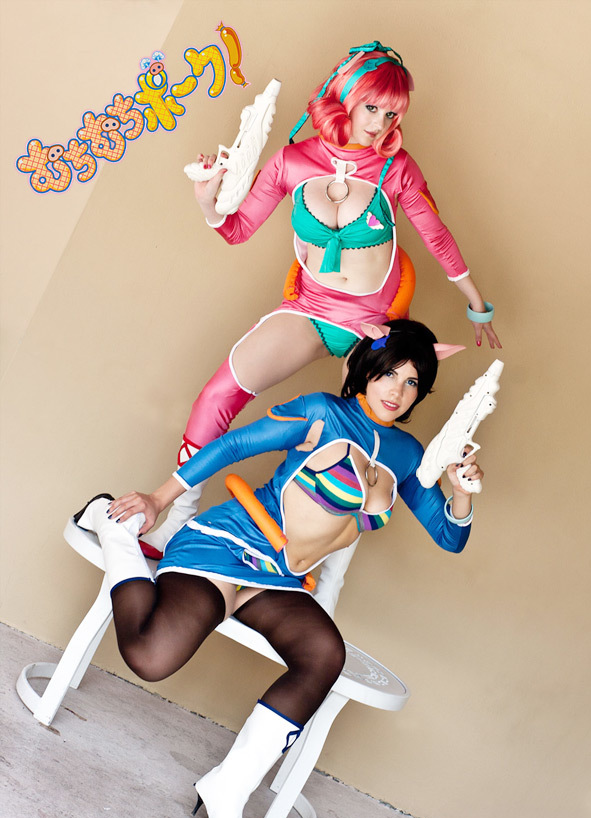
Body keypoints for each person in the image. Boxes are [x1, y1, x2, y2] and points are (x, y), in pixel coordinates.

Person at [74, 319, 484, 818]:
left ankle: (228, 790)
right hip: (227, 544)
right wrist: (157, 499)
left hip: (281, 577)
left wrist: (461, 493)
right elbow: (235, 444)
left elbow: (450, 537)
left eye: (412, 382)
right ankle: (115, 528)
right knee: (151, 658)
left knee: (324, 655)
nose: (397, 390)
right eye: (390, 373)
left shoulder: (408, 455)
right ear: (368, 368)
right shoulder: (322, 412)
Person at [141, 40, 500, 556]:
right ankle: (175, 519)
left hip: (372, 324)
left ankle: (312, 556)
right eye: (371, 107)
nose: (379, 124)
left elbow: (436, 235)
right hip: (310, 309)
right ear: (345, 96)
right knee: (218, 395)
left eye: (392, 114)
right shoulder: (292, 161)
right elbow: (237, 230)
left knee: (362, 440)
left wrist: (476, 304)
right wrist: (207, 201)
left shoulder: (397, 168)